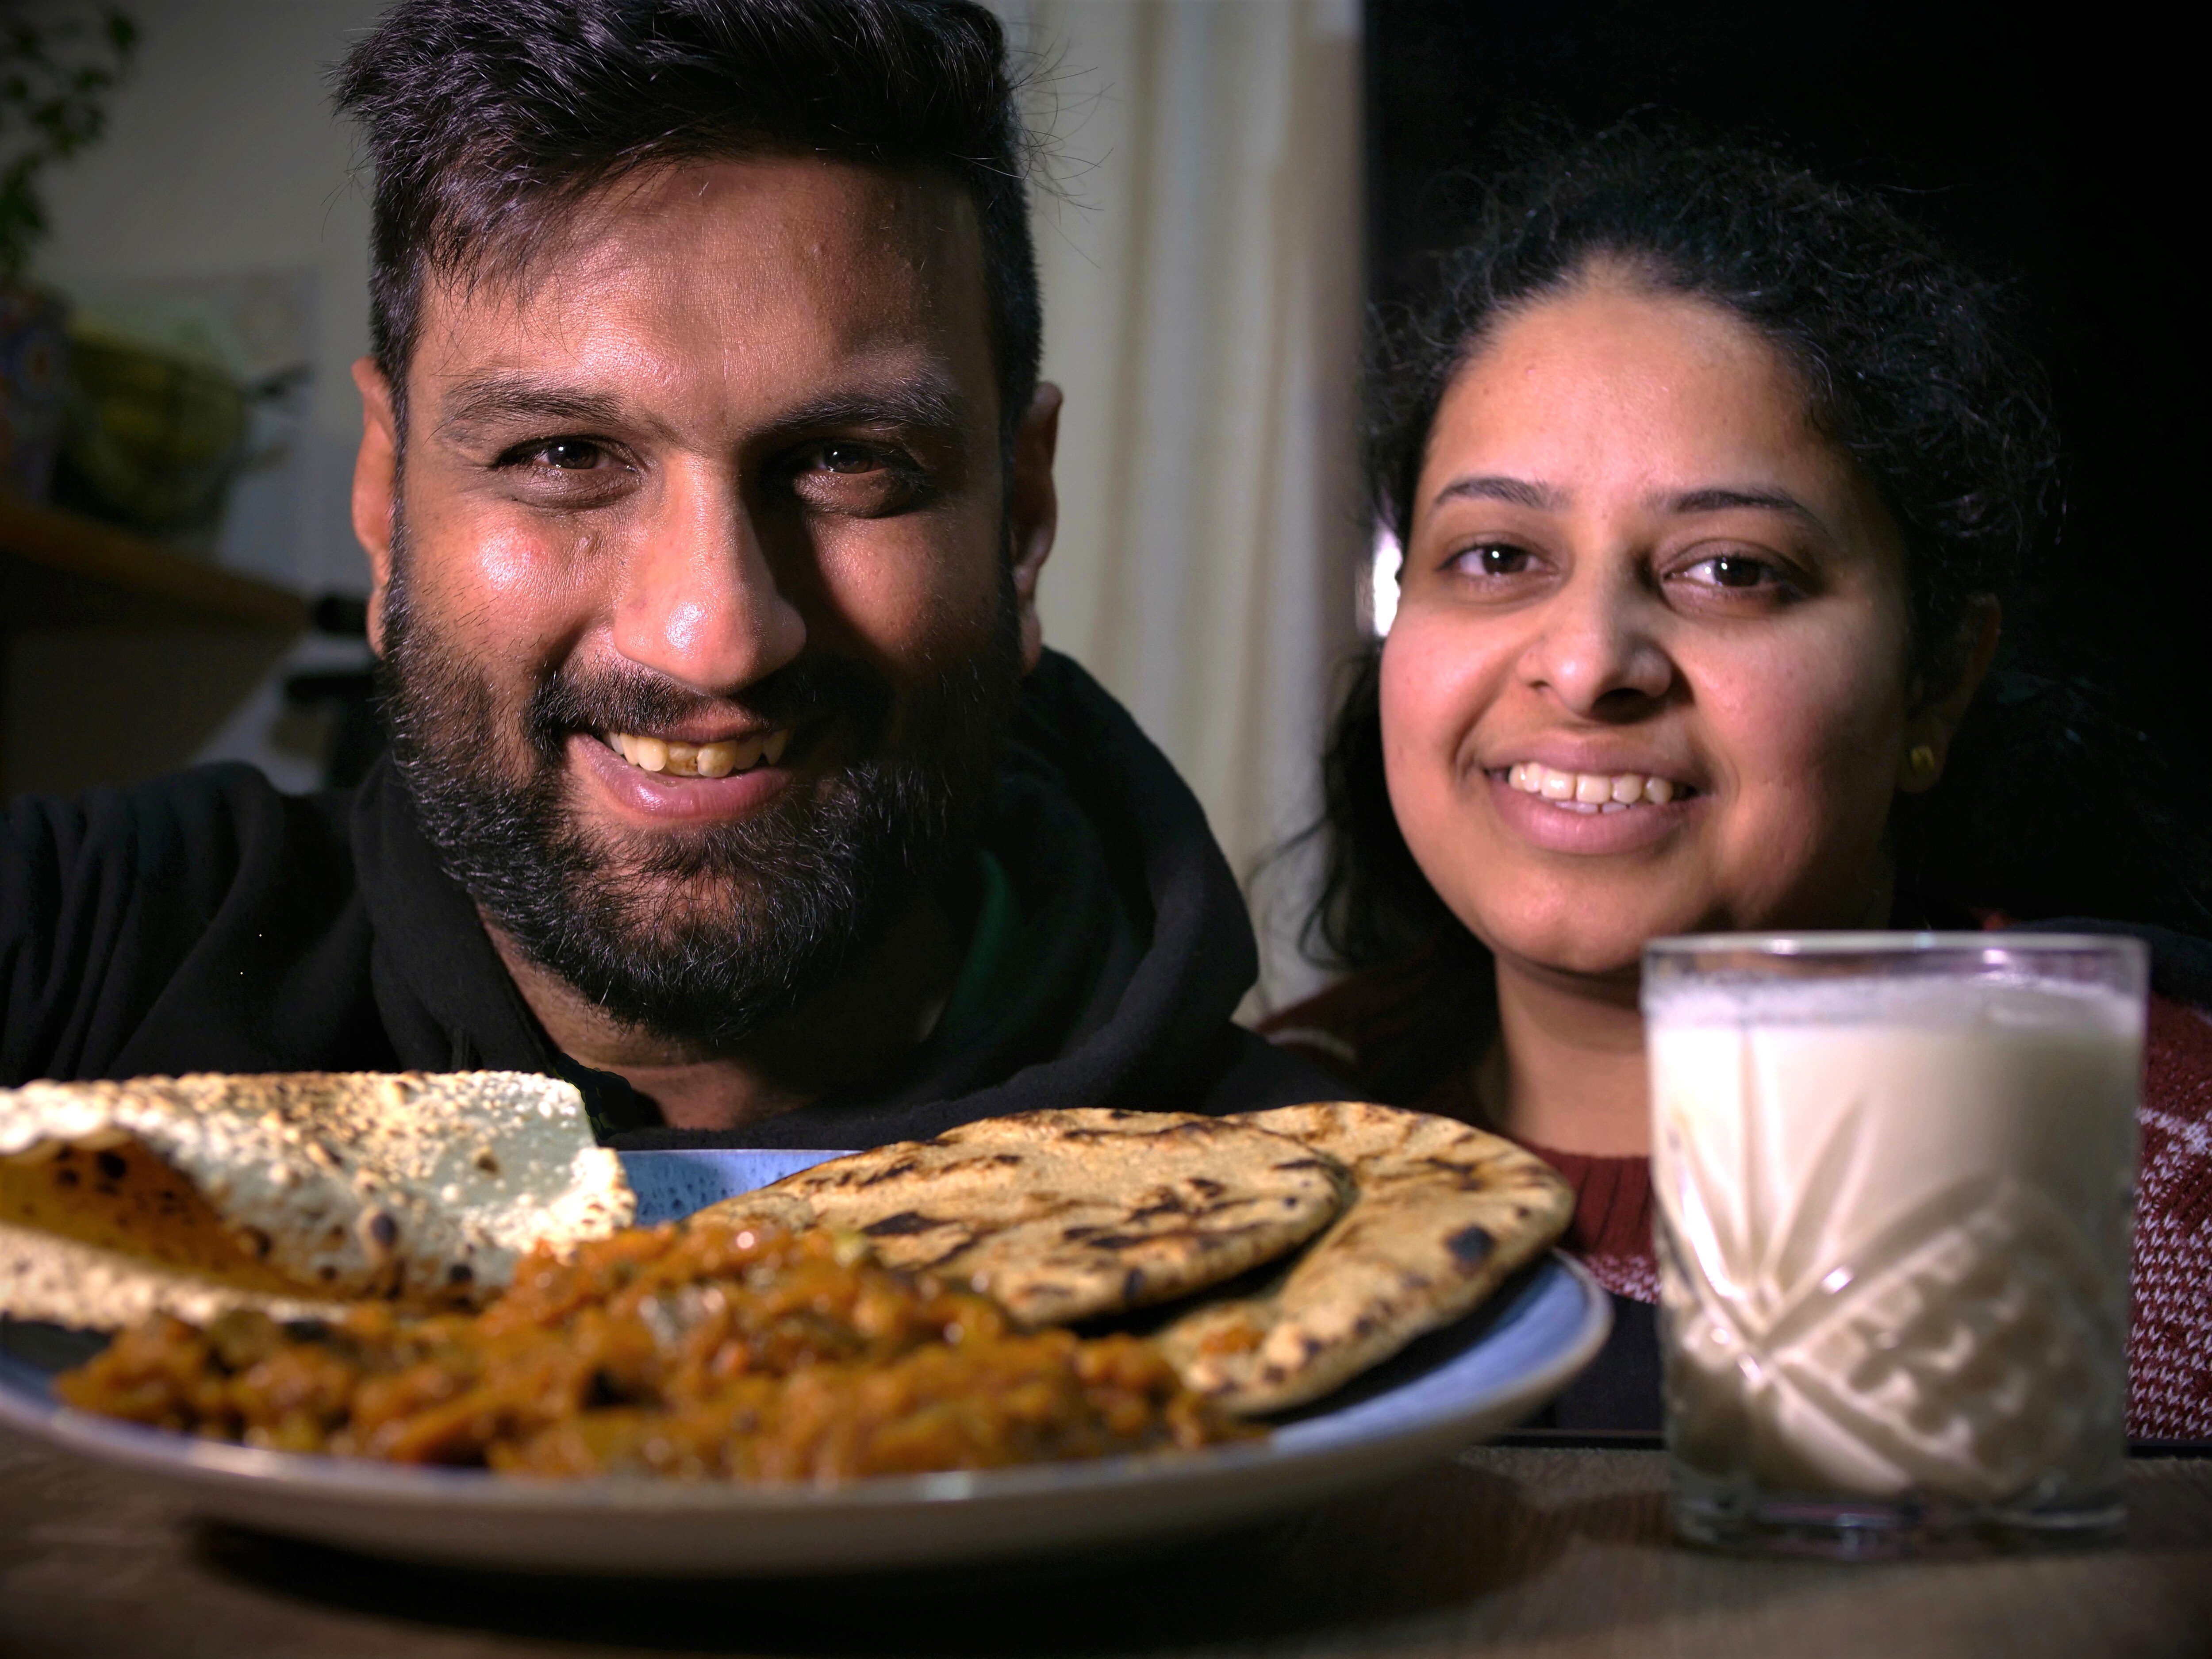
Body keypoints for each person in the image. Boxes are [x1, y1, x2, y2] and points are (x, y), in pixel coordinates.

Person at [0, 0, 1337, 1146]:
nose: (712, 637)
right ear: (383, 497)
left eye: (849, 461)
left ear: (1024, 513)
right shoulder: (85, 956)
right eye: (564, 452)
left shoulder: (1307, 1217)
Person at [1267, 132, 2212, 1440]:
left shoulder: (2175, 1183)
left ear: (1936, 679)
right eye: (1494, 556)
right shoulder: (1243, 1160)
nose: (1591, 663)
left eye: (1731, 570)